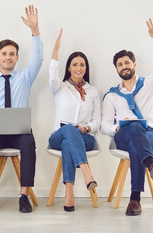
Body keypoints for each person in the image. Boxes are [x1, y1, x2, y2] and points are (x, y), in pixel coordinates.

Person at [0, 5, 43, 213]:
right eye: (4, 54)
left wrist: (35, 31)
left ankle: (24, 195)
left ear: (17, 58)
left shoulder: (25, 77)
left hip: (19, 132)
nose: (8, 57)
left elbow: (38, 58)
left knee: (29, 144)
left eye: (12, 54)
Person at [101, 18, 153, 216]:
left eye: (127, 62)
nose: (124, 66)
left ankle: (135, 199)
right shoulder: (111, 95)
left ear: (134, 64)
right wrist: (116, 128)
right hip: (123, 136)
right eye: (119, 64)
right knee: (132, 128)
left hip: (152, 136)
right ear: (116, 69)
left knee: (137, 139)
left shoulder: (152, 84)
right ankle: (151, 165)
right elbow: (104, 125)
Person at [47, 29, 100, 212]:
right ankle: (87, 174)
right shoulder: (59, 87)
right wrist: (56, 49)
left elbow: (97, 121)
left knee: (70, 140)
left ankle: (69, 191)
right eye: (75, 64)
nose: (79, 68)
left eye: (82, 65)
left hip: (85, 138)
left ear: (86, 68)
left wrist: (85, 129)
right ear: (68, 67)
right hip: (57, 136)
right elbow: (52, 71)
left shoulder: (93, 92)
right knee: (69, 130)